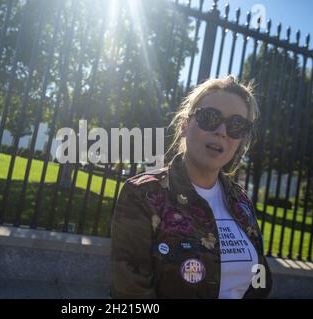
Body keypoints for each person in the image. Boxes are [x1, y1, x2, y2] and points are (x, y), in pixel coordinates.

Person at [110, 75, 272, 299]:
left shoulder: (241, 201)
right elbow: (132, 293)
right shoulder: (143, 194)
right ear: (185, 126)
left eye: (236, 125)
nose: (222, 131)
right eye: (210, 117)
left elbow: (260, 283)